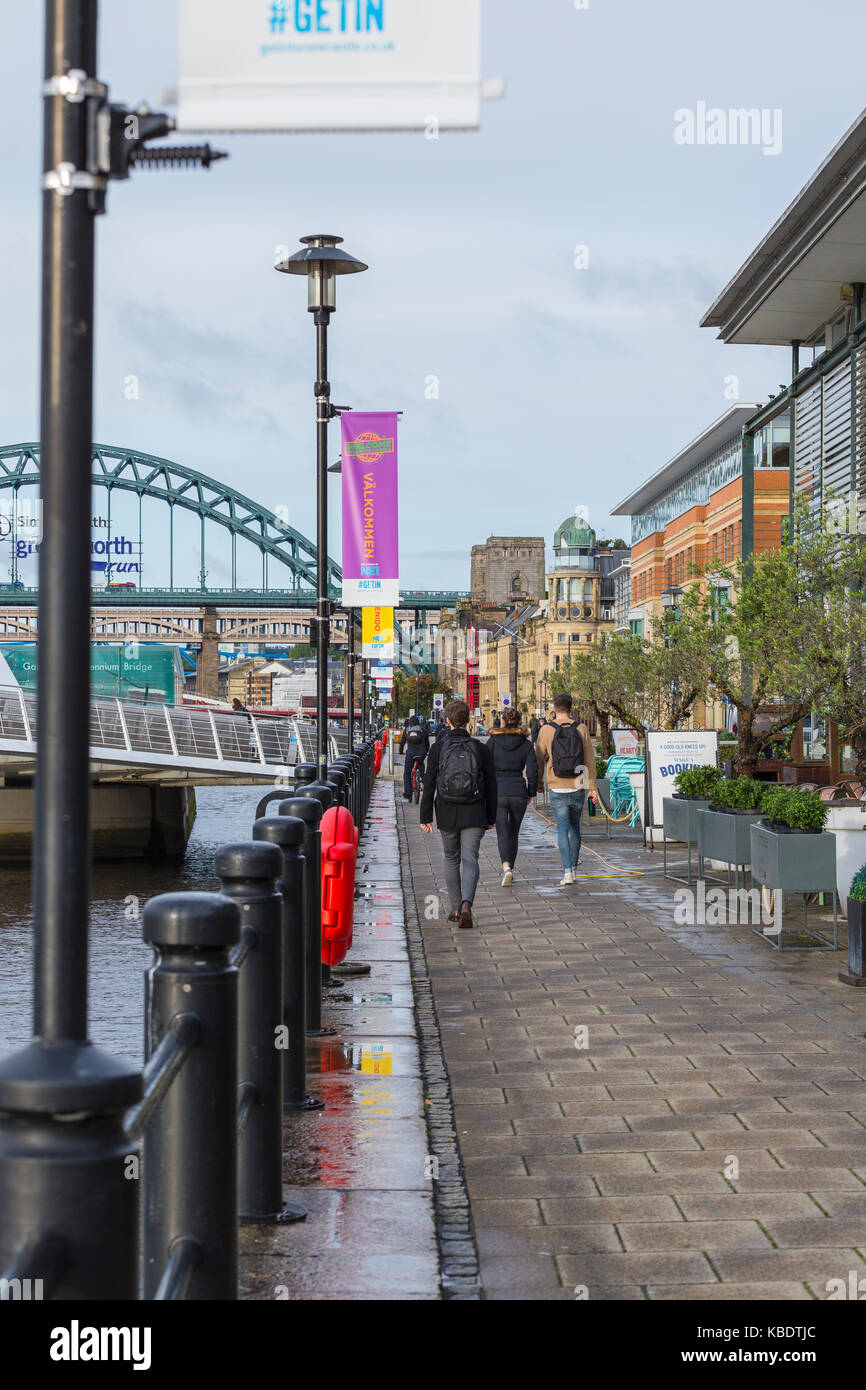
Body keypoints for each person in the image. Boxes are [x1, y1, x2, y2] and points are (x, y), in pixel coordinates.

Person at [420, 698, 497, 929]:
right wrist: (491, 817)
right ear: (467, 720)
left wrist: (425, 816)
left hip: (446, 810)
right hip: (475, 811)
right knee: (470, 858)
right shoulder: (480, 748)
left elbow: (429, 784)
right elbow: (492, 786)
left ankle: (454, 908)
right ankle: (467, 905)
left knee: (451, 858)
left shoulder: (438, 748)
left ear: (447, 720)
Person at [535, 692, 597, 886]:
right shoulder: (582, 728)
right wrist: (592, 787)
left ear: (554, 709)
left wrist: (538, 783)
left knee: (562, 829)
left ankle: (567, 872)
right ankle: (575, 869)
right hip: (578, 785)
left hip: (557, 786)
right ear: (571, 709)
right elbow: (589, 760)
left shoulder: (546, 731)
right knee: (575, 828)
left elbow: (538, 759)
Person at [489, 708, 537, 886]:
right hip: (518, 791)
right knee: (514, 833)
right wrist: (531, 791)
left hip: (498, 791)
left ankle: (506, 868)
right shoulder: (525, 744)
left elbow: (485, 767)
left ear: (502, 721)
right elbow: (532, 770)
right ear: (519, 722)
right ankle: (511, 868)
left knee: (502, 832)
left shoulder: (493, 742)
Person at [399, 714, 430, 801]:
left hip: (410, 752)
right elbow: (427, 743)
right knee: (421, 764)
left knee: (407, 772)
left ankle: (408, 793)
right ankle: (423, 778)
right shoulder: (423, 730)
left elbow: (402, 742)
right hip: (421, 752)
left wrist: (401, 752)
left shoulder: (407, 730)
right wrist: (426, 752)